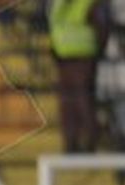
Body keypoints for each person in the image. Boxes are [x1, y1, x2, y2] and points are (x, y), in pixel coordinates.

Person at [48, 0, 107, 153]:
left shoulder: (88, 3)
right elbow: (55, 27)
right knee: (68, 104)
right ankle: (71, 144)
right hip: (63, 59)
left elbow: (102, 29)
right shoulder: (58, 3)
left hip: (83, 59)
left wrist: (96, 53)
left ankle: (90, 143)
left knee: (82, 102)